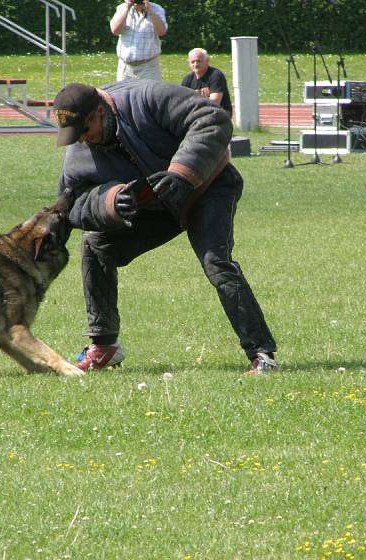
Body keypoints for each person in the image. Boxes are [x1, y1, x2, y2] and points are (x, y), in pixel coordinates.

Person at [52, 80, 278, 375]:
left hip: (207, 187)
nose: (82, 140)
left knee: (216, 261)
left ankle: (262, 354)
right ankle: (104, 345)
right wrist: (109, 202)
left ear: (98, 111)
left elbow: (213, 120)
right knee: (96, 244)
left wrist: (182, 173)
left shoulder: (147, 97)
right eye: (74, 136)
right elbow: (73, 203)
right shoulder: (79, 152)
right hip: (157, 208)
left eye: (84, 130)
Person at [110, 0, 167, 82]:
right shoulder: (122, 8)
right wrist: (127, 8)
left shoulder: (157, 9)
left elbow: (161, 32)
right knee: (123, 94)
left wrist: (150, 11)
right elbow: (115, 30)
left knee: (150, 94)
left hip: (148, 67)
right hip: (125, 67)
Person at [181, 48, 233, 116]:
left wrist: (193, 103)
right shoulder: (187, 79)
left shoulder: (216, 75)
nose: (195, 64)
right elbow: (182, 103)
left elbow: (214, 103)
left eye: (199, 61)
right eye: (192, 62)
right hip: (197, 113)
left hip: (219, 113)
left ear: (207, 61)